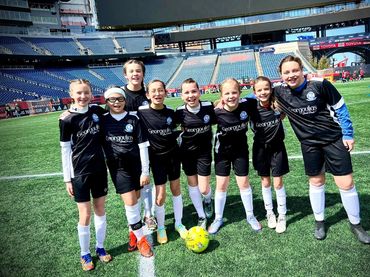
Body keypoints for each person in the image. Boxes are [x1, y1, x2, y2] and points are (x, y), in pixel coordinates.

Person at [274, 55, 370, 244]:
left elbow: (340, 108)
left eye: (295, 70)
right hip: (309, 144)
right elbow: (257, 95)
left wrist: (348, 134)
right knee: (316, 182)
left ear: (302, 70)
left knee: (346, 183)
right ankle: (319, 222)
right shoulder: (279, 91)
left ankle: (356, 224)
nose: (291, 75)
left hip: (333, 139)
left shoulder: (320, 85)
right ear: (281, 75)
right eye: (287, 72)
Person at [59, 79, 112, 271]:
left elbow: (116, 108)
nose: (83, 96)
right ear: (71, 94)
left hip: (99, 169)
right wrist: (67, 178)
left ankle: (100, 247)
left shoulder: (97, 111)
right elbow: (65, 150)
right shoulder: (66, 119)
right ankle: (84, 253)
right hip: (79, 173)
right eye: (79, 93)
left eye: (86, 92)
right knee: (85, 214)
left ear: (91, 93)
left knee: (100, 209)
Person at [101, 86, 153, 257]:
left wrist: (145, 171)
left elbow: (143, 145)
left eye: (120, 99)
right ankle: (142, 241)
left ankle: (133, 233)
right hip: (118, 168)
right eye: (112, 99)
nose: (116, 102)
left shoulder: (134, 118)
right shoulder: (101, 120)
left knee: (136, 201)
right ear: (106, 101)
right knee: (130, 203)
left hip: (136, 166)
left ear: (125, 100)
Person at [208, 78, 262, 234]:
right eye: (227, 93)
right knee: (221, 185)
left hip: (240, 151)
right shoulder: (216, 112)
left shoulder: (248, 104)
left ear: (240, 93)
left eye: (234, 92)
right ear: (221, 95)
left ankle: (250, 216)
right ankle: (218, 218)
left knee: (244, 183)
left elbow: (261, 94)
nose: (231, 96)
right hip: (221, 153)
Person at [138, 79, 188, 244]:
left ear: (166, 92)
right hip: (157, 159)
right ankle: (161, 227)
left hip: (173, 156)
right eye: (154, 91)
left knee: (176, 189)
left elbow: (180, 125)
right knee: (160, 196)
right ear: (148, 95)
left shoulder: (171, 113)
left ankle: (179, 223)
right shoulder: (141, 112)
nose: (157, 94)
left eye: (160, 90)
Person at [122, 59, 157, 251]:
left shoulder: (147, 94)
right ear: (125, 75)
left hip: (148, 144)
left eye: (138, 71)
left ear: (143, 74)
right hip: (128, 148)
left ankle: (149, 214)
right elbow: (105, 115)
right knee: (133, 189)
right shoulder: (120, 94)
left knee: (147, 181)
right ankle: (134, 224)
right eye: (131, 71)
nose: (135, 74)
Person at [175, 78, 216, 229]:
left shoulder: (208, 106)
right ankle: (201, 216)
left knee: (204, 188)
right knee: (193, 184)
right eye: (186, 92)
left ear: (199, 92)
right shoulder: (179, 112)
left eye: (193, 91)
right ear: (181, 95)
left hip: (204, 153)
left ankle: (208, 200)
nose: (190, 95)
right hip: (186, 154)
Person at [250, 76, 289, 234]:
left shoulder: (278, 105)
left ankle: (282, 215)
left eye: (266, 89)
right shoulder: (251, 107)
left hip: (278, 148)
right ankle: (269, 212)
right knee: (265, 182)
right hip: (260, 149)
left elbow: (286, 111)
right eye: (259, 90)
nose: (263, 92)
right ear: (254, 92)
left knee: (278, 183)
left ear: (271, 89)